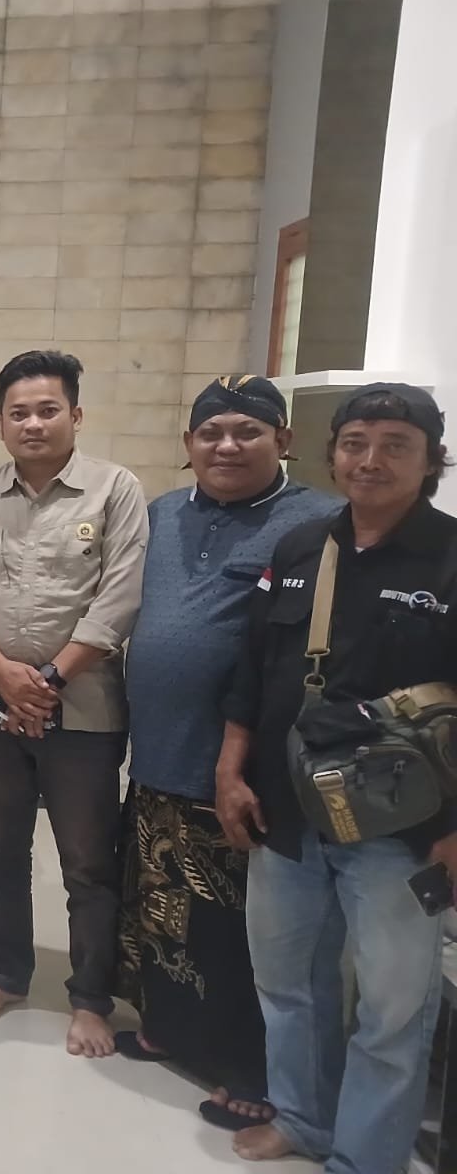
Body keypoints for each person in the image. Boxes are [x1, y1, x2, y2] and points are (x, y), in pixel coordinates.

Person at [215, 383, 457, 1173]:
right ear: (332, 453)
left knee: (392, 1009)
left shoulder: (449, 558)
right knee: (288, 982)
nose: (371, 460)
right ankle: (305, 1122)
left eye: (396, 445)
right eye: (356, 442)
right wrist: (230, 769)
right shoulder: (301, 549)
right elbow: (253, 670)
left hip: (406, 827)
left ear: (431, 459)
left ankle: (366, 1158)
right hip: (286, 810)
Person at [115, 376, 337, 1129]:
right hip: (158, 756)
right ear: (189, 444)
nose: (227, 445)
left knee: (245, 934)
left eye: (248, 431)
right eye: (211, 432)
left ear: (285, 440)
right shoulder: (163, 513)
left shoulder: (315, 523)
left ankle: (252, 1070)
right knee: (165, 910)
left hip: (241, 769)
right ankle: (171, 1031)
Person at [0, 349, 148, 1058]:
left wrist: (47, 680)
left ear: (75, 415)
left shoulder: (114, 490)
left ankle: (89, 999)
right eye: (18, 412)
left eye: (47, 410)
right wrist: (1, 674)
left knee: (88, 864)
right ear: (0, 422)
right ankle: (5, 975)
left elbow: (119, 598)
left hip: (82, 714)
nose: (32, 423)